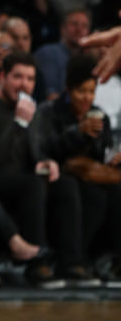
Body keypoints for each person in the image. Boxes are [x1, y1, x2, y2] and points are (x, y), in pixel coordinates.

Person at [0, 51, 94, 287]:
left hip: (21, 181)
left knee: (65, 183)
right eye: (18, 77)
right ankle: (35, 262)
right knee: (33, 183)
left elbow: (33, 151)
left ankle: (71, 262)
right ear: (3, 77)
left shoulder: (29, 109)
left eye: (30, 79)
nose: (25, 84)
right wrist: (19, 123)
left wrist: (45, 162)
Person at [30, 53, 120, 284]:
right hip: (53, 175)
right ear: (68, 90)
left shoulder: (100, 116)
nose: (86, 98)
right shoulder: (48, 111)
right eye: (81, 91)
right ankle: (69, 262)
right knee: (70, 187)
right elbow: (43, 150)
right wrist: (78, 133)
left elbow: (102, 154)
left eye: (91, 92)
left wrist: (112, 159)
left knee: (106, 194)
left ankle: (102, 260)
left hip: (88, 177)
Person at [34, 7, 93, 100]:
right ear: (62, 28)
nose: (79, 29)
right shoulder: (48, 53)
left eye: (84, 26)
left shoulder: (88, 59)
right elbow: (50, 96)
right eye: (74, 24)